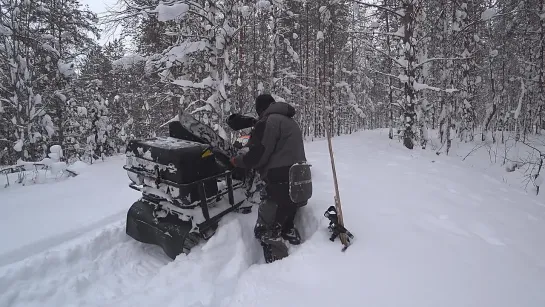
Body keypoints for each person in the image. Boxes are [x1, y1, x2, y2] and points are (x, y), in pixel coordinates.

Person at [230, 94, 307, 263]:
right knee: (283, 215)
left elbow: (258, 154)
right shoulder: (289, 121)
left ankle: (277, 266)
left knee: (264, 229)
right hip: (298, 180)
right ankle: (287, 230)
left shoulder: (269, 122)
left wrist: (237, 161)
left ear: (260, 109)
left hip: (279, 181)